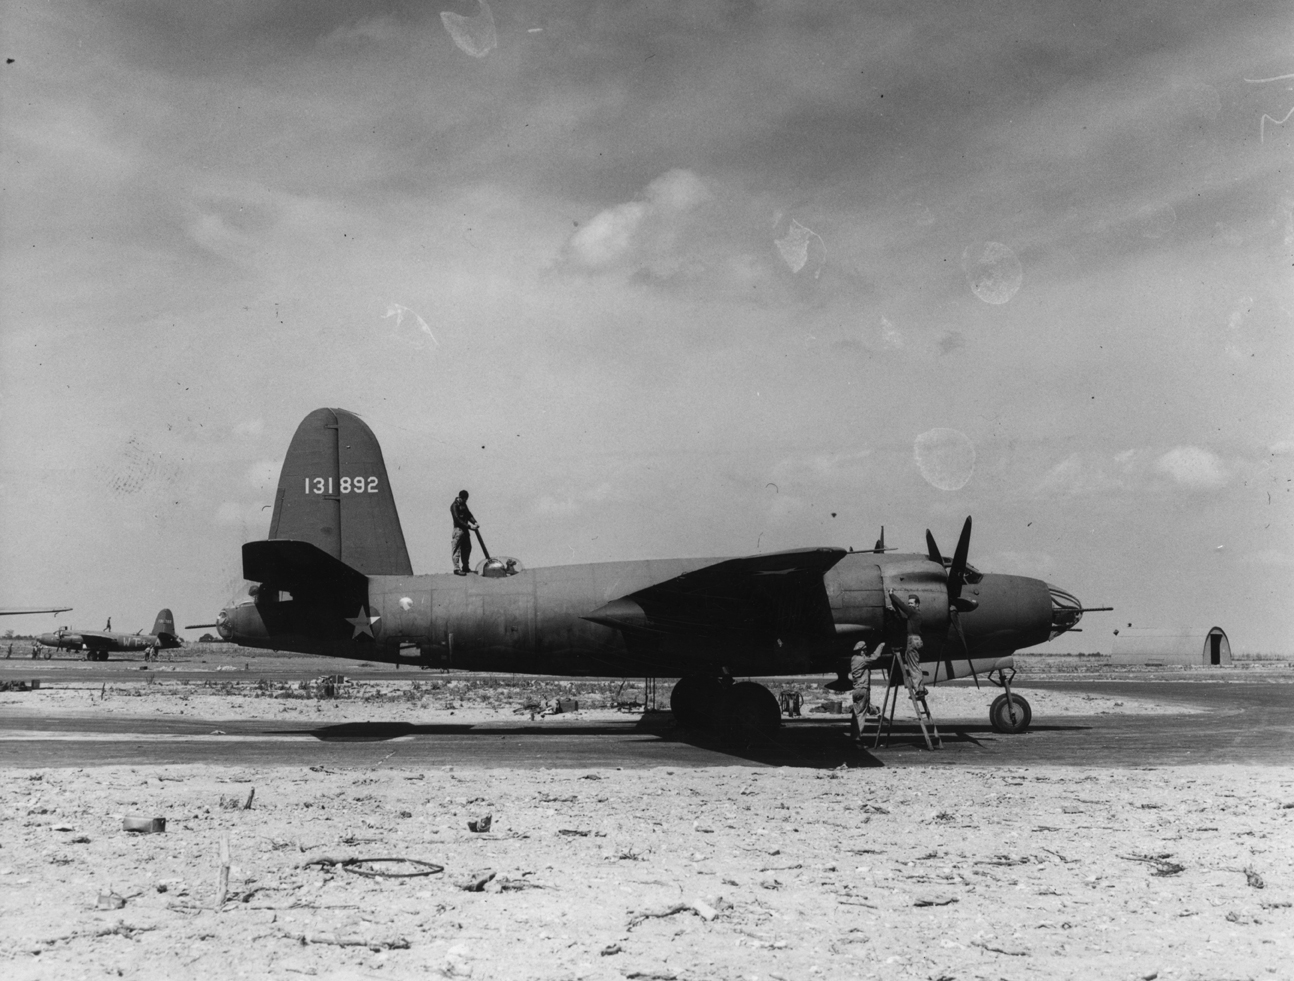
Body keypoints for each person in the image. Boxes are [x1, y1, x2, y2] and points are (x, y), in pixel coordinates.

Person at [888, 591, 927, 697]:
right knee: (915, 664)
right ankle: (921, 687)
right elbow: (903, 621)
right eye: (909, 603)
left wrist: (891, 594)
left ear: (917, 604)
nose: (909, 605)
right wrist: (894, 612)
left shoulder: (913, 612)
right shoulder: (915, 615)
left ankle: (919, 689)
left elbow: (902, 605)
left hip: (912, 640)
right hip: (917, 640)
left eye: (911, 603)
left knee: (913, 666)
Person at [848, 640, 885, 743]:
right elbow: (874, 657)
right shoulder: (861, 660)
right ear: (861, 651)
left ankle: (854, 736)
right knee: (861, 715)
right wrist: (881, 645)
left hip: (856, 690)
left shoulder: (854, 659)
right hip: (863, 689)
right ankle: (857, 739)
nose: (865, 652)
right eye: (864, 650)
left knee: (856, 714)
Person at [450, 490, 479, 575]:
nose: (466, 501)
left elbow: (468, 514)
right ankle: (456, 569)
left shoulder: (463, 505)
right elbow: (457, 519)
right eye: (465, 499)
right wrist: (470, 526)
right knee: (456, 550)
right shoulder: (454, 505)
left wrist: (475, 522)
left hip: (465, 531)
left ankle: (465, 567)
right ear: (463, 498)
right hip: (458, 530)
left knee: (467, 548)